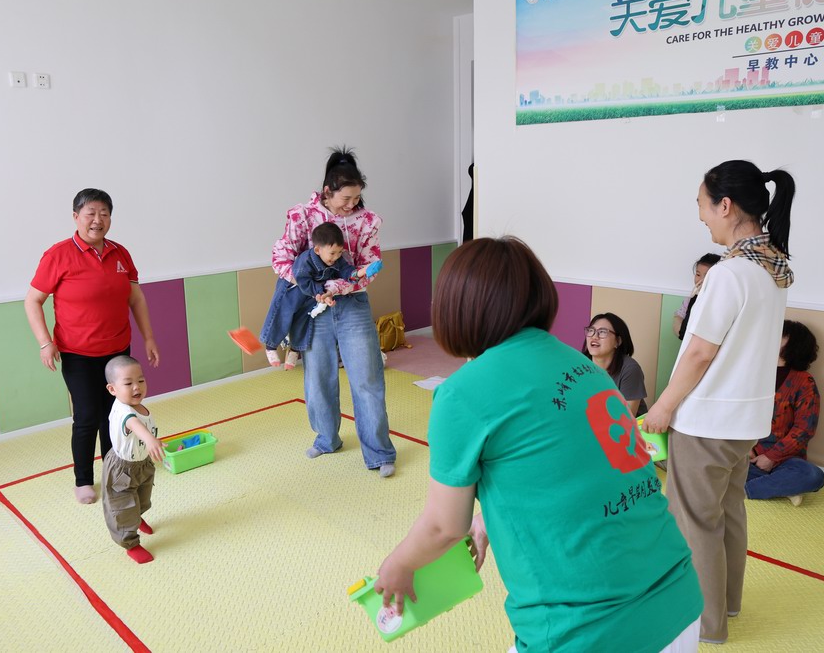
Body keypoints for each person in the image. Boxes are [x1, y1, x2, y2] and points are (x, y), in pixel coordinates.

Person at [375, 237, 703, 652]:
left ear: (458, 308)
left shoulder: (461, 394)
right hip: (677, 598)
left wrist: (399, 564)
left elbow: (444, 526)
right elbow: (579, 468)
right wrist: (487, 520)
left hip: (588, 628)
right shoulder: (584, 366)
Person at [642, 160, 796, 644]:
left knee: (695, 523)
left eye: (702, 205)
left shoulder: (730, 274)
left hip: (708, 420)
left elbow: (700, 353)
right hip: (745, 421)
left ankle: (704, 625)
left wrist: (663, 407)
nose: (701, 216)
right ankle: (727, 604)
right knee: (729, 513)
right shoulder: (771, 269)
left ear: (725, 205)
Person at [25, 189, 160, 504]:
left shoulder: (120, 253)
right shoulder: (57, 255)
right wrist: (45, 343)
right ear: (76, 217)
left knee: (116, 413)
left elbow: (136, 298)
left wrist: (149, 337)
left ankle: (115, 470)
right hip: (78, 353)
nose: (98, 220)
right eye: (91, 213)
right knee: (87, 416)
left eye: (104, 213)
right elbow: (33, 300)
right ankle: (83, 479)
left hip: (118, 351)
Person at [270, 148, 396, 477]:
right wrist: (309, 285)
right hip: (314, 307)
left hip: (352, 303)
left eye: (357, 198)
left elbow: (369, 266)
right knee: (318, 379)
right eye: (346, 198)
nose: (352, 205)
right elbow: (281, 257)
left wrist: (338, 287)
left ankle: (380, 452)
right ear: (328, 191)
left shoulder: (367, 222)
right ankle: (327, 439)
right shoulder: (302, 216)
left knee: (368, 378)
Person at [260, 222, 372, 370]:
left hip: (312, 293)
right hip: (293, 288)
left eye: (339, 252)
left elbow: (345, 270)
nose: (336, 257)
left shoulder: (336, 258)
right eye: (332, 253)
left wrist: (358, 273)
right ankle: (271, 345)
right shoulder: (305, 261)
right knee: (283, 313)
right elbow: (303, 281)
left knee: (304, 319)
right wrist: (321, 294)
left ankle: (295, 349)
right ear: (318, 250)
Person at [747, 320, 824, 506]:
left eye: (781, 335)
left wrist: (771, 457)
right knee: (709, 461)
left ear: (794, 344)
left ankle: (744, 489)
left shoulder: (804, 381)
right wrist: (746, 449)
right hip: (746, 454)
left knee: (812, 475)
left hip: (786, 459)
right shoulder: (752, 371)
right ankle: (783, 489)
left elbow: (804, 429)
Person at [102, 355, 163, 564]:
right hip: (122, 469)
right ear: (112, 389)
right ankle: (131, 544)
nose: (137, 387)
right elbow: (134, 424)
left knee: (142, 498)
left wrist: (152, 443)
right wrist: (150, 440)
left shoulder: (138, 405)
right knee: (123, 507)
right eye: (128, 383)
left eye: (141, 380)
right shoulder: (124, 411)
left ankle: (137, 517)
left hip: (142, 464)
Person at [582, 312, 649, 416]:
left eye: (602, 332)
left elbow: (626, 417)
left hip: (624, 425)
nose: (594, 336)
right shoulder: (580, 365)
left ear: (617, 341)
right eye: (591, 331)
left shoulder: (630, 369)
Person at [673, 253, 721, 339]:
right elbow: (679, 319)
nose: (700, 280)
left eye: (707, 276)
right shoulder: (691, 299)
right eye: (698, 274)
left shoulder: (719, 302)